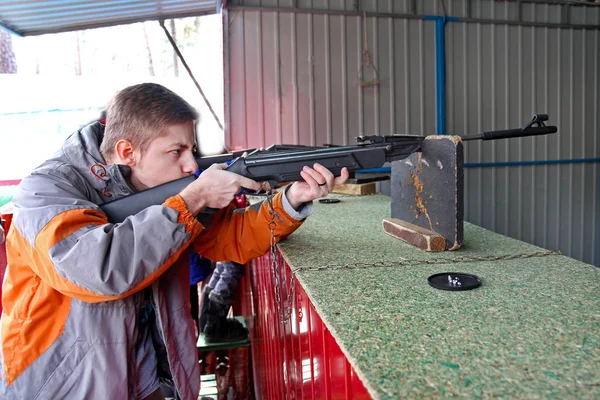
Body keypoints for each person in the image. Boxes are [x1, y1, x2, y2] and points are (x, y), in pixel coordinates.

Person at [0, 83, 348, 400]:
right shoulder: (44, 191)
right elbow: (98, 271)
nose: (190, 164)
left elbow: (230, 239)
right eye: (176, 151)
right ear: (127, 151)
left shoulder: (157, 195)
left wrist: (293, 199)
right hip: (59, 386)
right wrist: (192, 200)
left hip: (146, 378)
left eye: (192, 150)